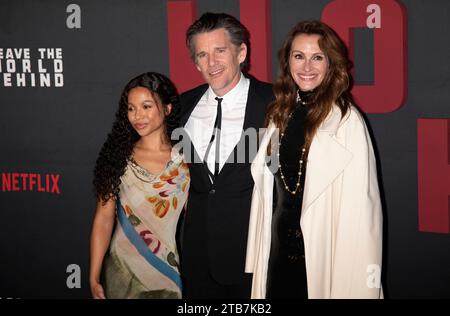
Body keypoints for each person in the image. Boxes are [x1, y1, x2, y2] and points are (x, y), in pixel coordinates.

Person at [245, 20, 383, 299]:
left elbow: (363, 210)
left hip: (322, 252)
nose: (306, 67)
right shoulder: (279, 114)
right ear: (288, 62)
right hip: (277, 251)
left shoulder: (347, 122)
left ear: (331, 63)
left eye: (317, 57)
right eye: (299, 56)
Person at [178, 12, 273, 298]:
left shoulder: (275, 103)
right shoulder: (182, 106)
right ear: (195, 62)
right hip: (197, 260)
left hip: (254, 258)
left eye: (220, 51)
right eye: (202, 54)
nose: (212, 63)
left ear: (241, 52)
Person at [89, 72, 190, 299]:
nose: (137, 116)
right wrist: (94, 276)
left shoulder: (186, 162)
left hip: (166, 275)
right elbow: (104, 218)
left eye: (146, 106)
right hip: (120, 273)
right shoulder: (118, 156)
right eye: (131, 108)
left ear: (167, 108)